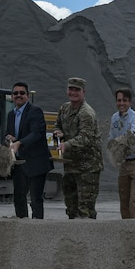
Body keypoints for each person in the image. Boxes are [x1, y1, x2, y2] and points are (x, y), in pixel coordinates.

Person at [54, 77, 103, 219]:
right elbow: (57, 125)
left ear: (83, 92)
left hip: (87, 167)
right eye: (71, 89)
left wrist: (66, 144)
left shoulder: (86, 113)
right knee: (71, 207)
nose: (73, 92)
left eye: (77, 90)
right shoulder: (64, 108)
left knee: (85, 209)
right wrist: (59, 133)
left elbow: (85, 138)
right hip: (70, 165)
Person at [5, 81, 51, 219]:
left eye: (22, 93)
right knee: (19, 198)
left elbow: (36, 133)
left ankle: (37, 228)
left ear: (28, 96)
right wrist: (9, 139)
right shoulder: (11, 115)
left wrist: (20, 142)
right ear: (12, 96)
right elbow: (8, 134)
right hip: (19, 163)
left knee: (36, 199)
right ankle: (22, 226)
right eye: (15, 93)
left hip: (35, 162)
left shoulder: (35, 112)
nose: (18, 95)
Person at [109, 87, 135, 219]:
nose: (121, 103)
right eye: (119, 100)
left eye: (124, 100)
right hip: (124, 162)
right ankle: (126, 229)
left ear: (130, 102)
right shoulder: (114, 119)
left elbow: (133, 136)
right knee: (124, 198)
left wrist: (118, 142)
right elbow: (111, 139)